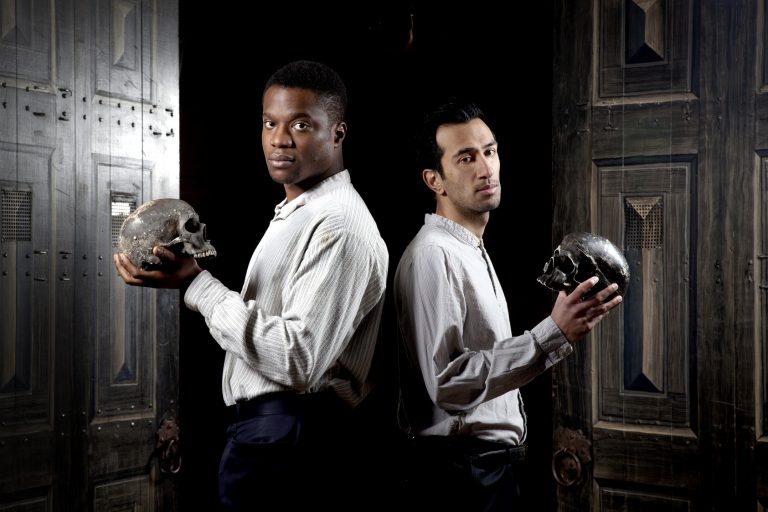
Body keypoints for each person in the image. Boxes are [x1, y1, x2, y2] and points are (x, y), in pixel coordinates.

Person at [114, 60, 389, 510]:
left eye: (301, 124)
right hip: (267, 431)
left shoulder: (339, 225)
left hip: (290, 434)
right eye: (270, 123)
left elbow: (297, 358)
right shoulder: (300, 211)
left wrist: (198, 286)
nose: (279, 139)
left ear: (337, 133)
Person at [393, 100, 623, 511]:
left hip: (488, 470)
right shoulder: (434, 255)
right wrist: (549, 334)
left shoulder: (469, 249)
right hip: (460, 475)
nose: (485, 168)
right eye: (466, 158)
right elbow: (447, 384)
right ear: (435, 180)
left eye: (490, 151)